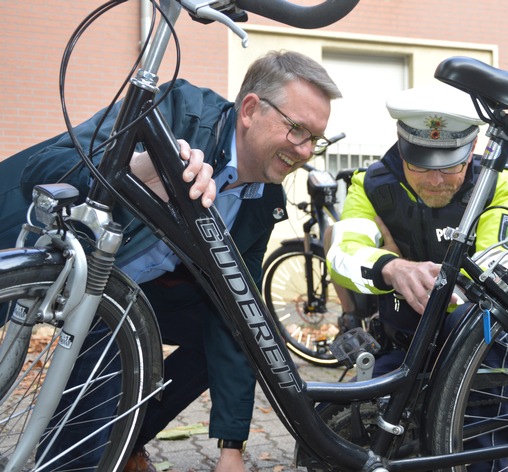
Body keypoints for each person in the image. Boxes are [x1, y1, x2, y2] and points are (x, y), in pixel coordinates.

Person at [13, 50, 342, 472]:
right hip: (39, 253)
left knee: (229, 331)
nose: (306, 150)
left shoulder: (263, 198)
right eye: (297, 129)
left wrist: (231, 449)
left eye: (316, 138)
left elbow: (239, 312)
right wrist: (132, 169)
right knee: (94, 399)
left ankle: (124, 439)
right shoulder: (174, 111)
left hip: (127, 297)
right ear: (250, 110)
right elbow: (47, 166)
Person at [326, 84, 508, 471]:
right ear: (402, 149)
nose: (435, 181)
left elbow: (500, 261)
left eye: (449, 167)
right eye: (421, 166)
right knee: (382, 439)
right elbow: (342, 252)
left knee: (477, 428)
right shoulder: (370, 185)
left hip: (480, 337)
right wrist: (393, 267)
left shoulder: (506, 183)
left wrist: (449, 289)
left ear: (471, 150)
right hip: (404, 336)